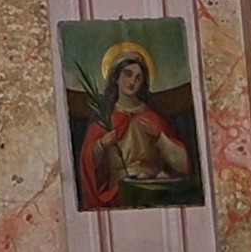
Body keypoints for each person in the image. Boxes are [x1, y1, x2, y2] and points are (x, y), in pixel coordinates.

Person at [75, 46, 194, 207]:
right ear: (116, 78)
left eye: (138, 78)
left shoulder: (153, 118)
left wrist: (160, 139)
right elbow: (86, 165)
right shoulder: (105, 122)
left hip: (154, 191)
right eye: (127, 74)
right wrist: (101, 144)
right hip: (120, 193)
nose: (132, 82)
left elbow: (183, 165)